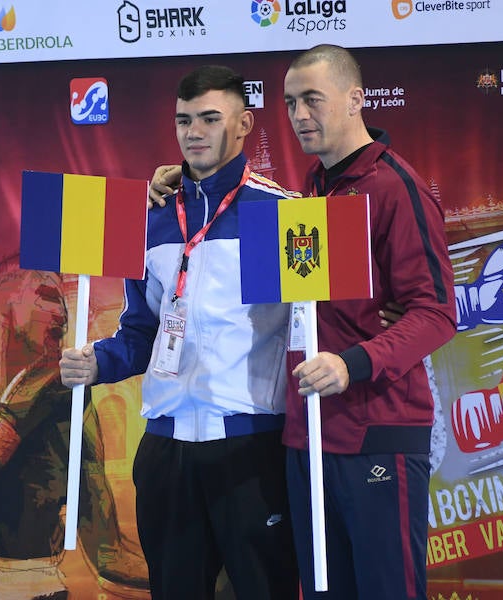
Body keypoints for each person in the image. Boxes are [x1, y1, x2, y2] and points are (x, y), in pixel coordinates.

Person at [148, 45, 456, 600]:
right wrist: (185, 179)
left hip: (377, 436)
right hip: (306, 438)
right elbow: (235, 192)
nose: (299, 115)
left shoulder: (394, 188)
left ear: (356, 99)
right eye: (290, 103)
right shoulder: (309, 191)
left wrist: (352, 362)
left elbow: (435, 313)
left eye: (312, 100)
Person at [60, 65, 300, 600]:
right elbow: (140, 332)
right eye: (184, 120)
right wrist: (98, 362)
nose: (194, 132)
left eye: (210, 119)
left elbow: (314, 327)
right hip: (167, 448)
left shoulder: (279, 214)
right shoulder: (150, 218)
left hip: (250, 446)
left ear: (244, 124)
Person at [0, 254, 148, 600]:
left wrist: (187, 568)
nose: (61, 313)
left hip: (45, 589)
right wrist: (11, 417)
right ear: (1, 305)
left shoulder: (70, 401)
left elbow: (107, 554)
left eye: (62, 302)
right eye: (46, 296)